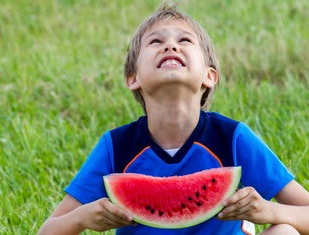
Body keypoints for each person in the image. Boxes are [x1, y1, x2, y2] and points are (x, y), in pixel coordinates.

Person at [38, 2, 309, 235]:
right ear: (133, 79)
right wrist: (82, 217)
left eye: (185, 40)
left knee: (284, 231)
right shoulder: (116, 147)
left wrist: (268, 210)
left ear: (209, 76)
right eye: (156, 41)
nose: (170, 45)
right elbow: (47, 230)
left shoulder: (232, 138)